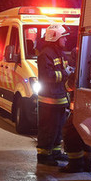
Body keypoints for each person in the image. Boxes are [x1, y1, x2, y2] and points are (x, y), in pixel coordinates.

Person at [36, 23, 71, 166]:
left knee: (58, 127)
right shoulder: (46, 54)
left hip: (59, 98)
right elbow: (47, 76)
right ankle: (44, 156)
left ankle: (55, 152)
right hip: (49, 100)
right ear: (55, 37)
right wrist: (65, 73)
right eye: (63, 37)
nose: (66, 40)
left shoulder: (59, 53)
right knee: (48, 128)